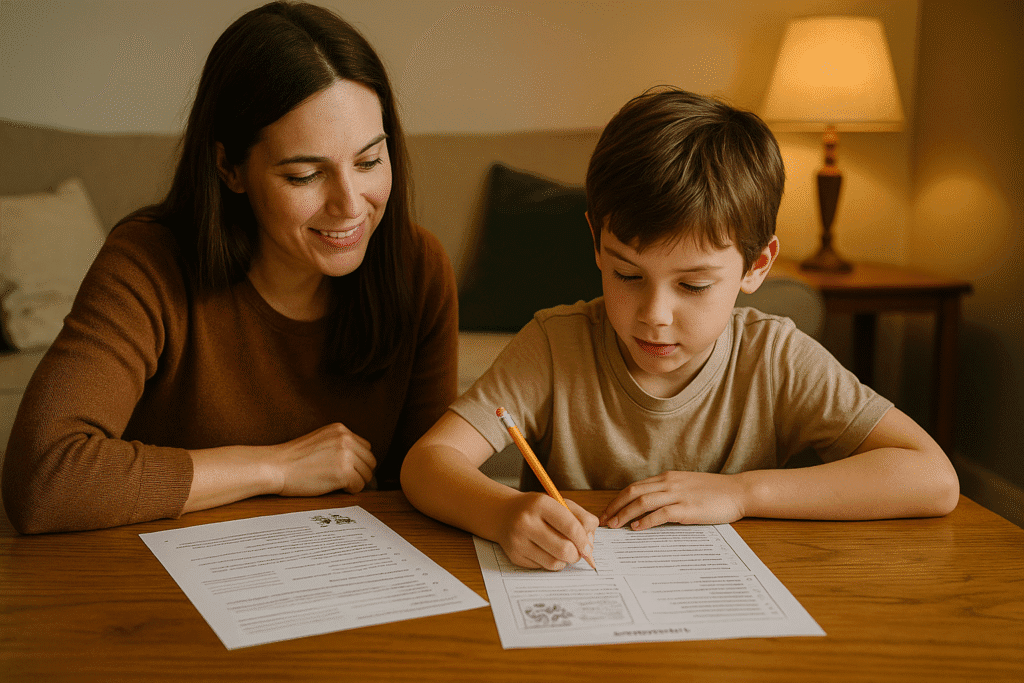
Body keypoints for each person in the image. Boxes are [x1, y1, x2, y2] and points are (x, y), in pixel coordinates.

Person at [400, 87, 959, 571]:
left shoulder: (775, 357)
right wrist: (501, 513)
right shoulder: (554, 344)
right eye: (627, 274)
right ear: (596, 240)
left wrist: (742, 493)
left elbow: (932, 478)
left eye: (693, 286)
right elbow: (428, 464)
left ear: (757, 266)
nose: (654, 315)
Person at [2, 1, 458, 533]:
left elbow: (428, 484)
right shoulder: (147, 263)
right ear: (229, 168)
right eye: (305, 175)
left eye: (369, 162)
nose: (351, 205)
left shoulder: (417, 267)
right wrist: (274, 466)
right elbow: (44, 478)